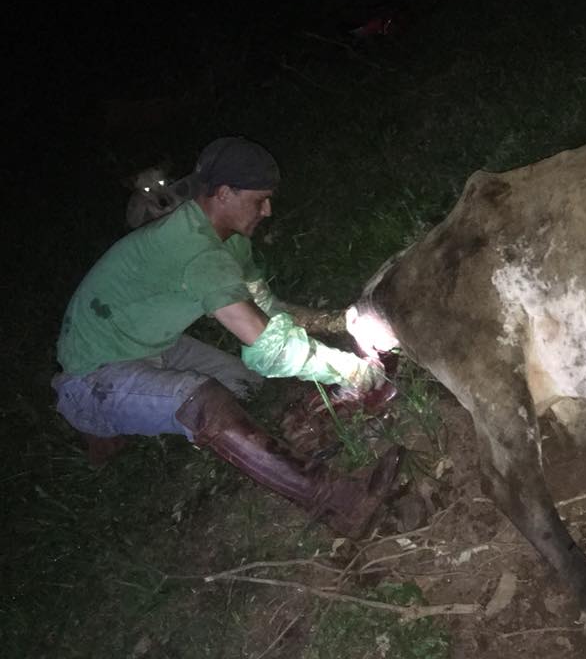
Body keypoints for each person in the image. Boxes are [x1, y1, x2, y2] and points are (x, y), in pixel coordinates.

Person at [52, 137, 403, 538]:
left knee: (249, 389)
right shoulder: (198, 253)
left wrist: (344, 322)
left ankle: (122, 422)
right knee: (203, 401)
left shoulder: (230, 239)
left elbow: (267, 309)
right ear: (224, 193)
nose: (268, 211)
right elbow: (269, 347)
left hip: (148, 344)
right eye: (260, 200)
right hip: (93, 374)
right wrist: (351, 370)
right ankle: (340, 504)